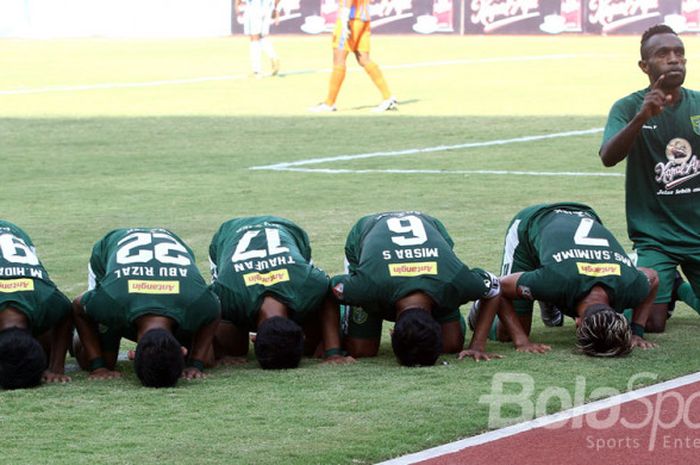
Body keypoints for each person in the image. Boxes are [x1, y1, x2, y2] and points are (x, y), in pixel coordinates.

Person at [599, 24, 700, 332]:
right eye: (663, 54)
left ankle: (678, 287)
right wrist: (641, 118)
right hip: (656, 238)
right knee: (651, 324)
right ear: (644, 66)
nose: (674, 59)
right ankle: (659, 281)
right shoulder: (629, 107)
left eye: (679, 53)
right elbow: (608, 157)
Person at [330, 211, 521, 367]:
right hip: (367, 231)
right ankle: (354, 313)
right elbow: (328, 289)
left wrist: (477, 345)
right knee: (362, 350)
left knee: (452, 344)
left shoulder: (454, 281)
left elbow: (494, 285)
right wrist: (333, 350)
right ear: (392, 331)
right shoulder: (367, 285)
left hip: (431, 229)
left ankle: (447, 310)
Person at [483, 203, 658, 357]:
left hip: (584, 218)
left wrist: (637, 332)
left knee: (546, 283)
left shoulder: (631, 285)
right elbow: (499, 284)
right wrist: (521, 341)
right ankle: (478, 311)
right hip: (533, 221)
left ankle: (544, 294)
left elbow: (653, 277)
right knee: (506, 334)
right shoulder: (556, 281)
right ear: (578, 323)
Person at [72, 227, 221, 387]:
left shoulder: (198, 301)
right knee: (98, 360)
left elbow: (215, 308)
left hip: (168, 244)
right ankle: (74, 339)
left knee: (208, 358)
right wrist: (97, 365)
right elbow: (78, 306)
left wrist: (196, 364)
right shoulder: (112, 300)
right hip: (113, 246)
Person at [208, 216, 354, 369]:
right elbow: (204, 306)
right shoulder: (226, 291)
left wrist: (332, 351)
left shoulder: (308, 283)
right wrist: (220, 353)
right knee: (234, 348)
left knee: (315, 338)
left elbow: (328, 293)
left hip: (286, 231)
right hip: (229, 233)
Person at [0, 220, 72, 389]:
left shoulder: (48, 300)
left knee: (33, 357)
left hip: (15, 233)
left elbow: (66, 312)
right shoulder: (46, 299)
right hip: (13, 233)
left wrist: (56, 368)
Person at [309, 0, 396, 112]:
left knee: (339, 59)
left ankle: (329, 103)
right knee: (363, 58)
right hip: (364, 17)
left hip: (351, 17)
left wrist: (345, 18)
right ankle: (388, 97)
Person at [237, 0, 281, 78]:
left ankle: (257, 70)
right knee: (260, 36)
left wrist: (238, 5)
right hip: (267, 8)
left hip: (254, 9)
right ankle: (273, 56)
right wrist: (275, 8)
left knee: (254, 38)